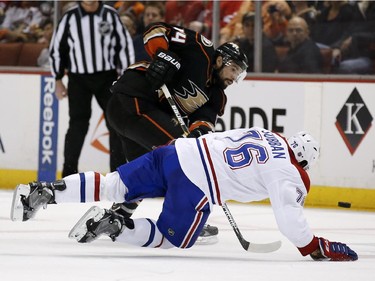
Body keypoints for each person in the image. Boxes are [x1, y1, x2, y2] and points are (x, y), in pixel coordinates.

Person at [10, 127, 358, 261]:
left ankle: (41, 192)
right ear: (303, 161)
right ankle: (114, 226)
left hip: (177, 152)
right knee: (170, 239)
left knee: (113, 182)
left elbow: (217, 136)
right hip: (198, 183)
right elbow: (287, 215)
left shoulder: (264, 132)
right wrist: (312, 245)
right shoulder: (290, 171)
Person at [105, 21, 248, 243]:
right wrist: (163, 55)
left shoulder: (216, 96)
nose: (234, 78)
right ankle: (185, 220)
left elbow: (202, 123)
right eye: (234, 70)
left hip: (136, 117)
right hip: (131, 98)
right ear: (221, 60)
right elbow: (156, 30)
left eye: (239, 74)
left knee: (146, 168)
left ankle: (119, 214)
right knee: (184, 156)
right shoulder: (201, 49)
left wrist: (198, 135)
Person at [49, 0, 135, 177]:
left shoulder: (110, 15)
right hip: (78, 79)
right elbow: (58, 48)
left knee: (115, 124)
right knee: (77, 125)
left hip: (107, 78)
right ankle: (69, 174)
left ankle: (117, 174)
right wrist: (57, 79)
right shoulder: (70, 17)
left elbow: (124, 46)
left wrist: (126, 77)